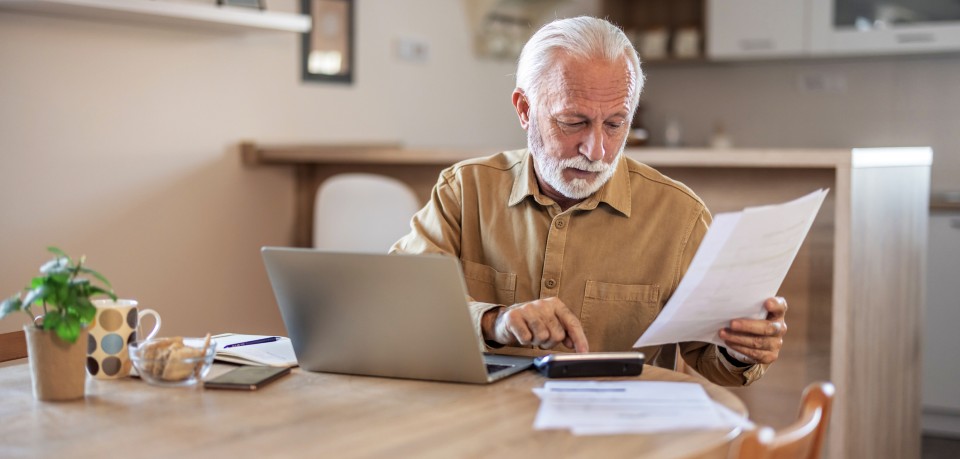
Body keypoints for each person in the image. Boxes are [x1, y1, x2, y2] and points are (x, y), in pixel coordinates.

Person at [390, 16, 786, 386]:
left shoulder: (679, 218)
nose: (596, 150)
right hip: (480, 424)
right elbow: (396, 303)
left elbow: (714, 361)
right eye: (574, 122)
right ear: (525, 109)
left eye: (615, 124)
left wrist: (740, 350)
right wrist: (493, 321)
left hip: (617, 434)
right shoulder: (465, 190)